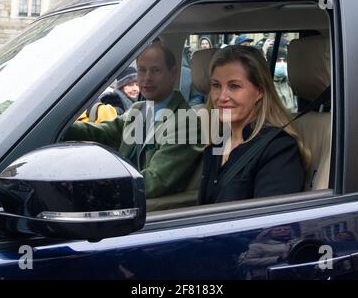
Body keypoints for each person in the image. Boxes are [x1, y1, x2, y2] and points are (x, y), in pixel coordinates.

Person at [64, 40, 203, 198]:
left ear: (173, 73)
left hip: (150, 210)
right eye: (142, 70)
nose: (147, 78)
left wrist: (99, 188)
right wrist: (60, 126)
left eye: (155, 70)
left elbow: (154, 181)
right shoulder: (139, 109)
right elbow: (103, 133)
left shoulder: (186, 122)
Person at [198, 45, 308, 205]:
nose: (221, 97)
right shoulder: (217, 143)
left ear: (260, 91)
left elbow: (271, 223)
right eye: (216, 85)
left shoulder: (278, 149)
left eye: (234, 86)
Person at [268, 47, 297, 112]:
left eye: (284, 60)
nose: (282, 64)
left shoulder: (290, 83)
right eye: (278, 60)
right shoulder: (265, 85)